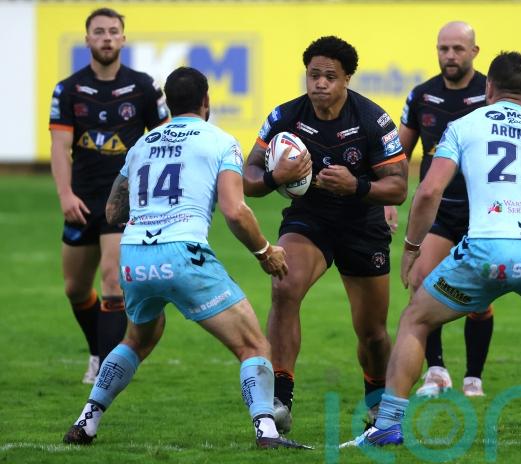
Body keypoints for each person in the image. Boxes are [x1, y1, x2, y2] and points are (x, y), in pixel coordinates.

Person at [345, 51, 521, 447]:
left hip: (487, 247)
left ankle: (388, 425)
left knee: (416, 318)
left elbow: (429, 191)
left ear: (488, 87)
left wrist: (412, 248)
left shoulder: (464, 126)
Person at [62, 66, 311, 449]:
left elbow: (113, 212)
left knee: (138, 339)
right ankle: (267, 431)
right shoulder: (221, 141)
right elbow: (235, 211)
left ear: (167, 104)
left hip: (134, 256)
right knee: (254, 345)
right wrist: (265, 252)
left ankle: (87, 421)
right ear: (206, 101)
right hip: (183, 253)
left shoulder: (142, 145)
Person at [243, 36, 408, 434]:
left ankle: (377, 406)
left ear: (347, 79)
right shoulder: (285, 116)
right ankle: (280, 400)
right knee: (284, 288)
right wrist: (275, 177)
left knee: (372, 332)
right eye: (313, 74)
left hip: (362, 224)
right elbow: (248, 175)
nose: (319, 83)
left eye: (329, 76)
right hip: (309, 219)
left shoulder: (372, 120)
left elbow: (399, 187)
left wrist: (357, 186)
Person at [49, 7, 169, 384]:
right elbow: (60, 147)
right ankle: (96, 351)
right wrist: (65, 194)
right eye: (99, 32)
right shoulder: (68, 89)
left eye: (113, 31)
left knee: (112, 282)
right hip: (82, 200)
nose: (106, 38)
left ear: (123, 38)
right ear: (87, 39)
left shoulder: (143, 87)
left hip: (124, 200)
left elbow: (165, 139)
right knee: (75, 288)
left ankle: (107, 371)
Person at [398, 21, 493, 398]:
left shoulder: (489, 95)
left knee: (479, 298)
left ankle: (473, 378)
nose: (449, 56)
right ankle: (436, 372)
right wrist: (390, 202)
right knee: (421, 283)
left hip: (480, 213)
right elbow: (399, 155)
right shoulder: (422, 95)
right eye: (443, 48)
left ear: (474, 51)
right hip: (438, 211)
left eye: (457, 49)